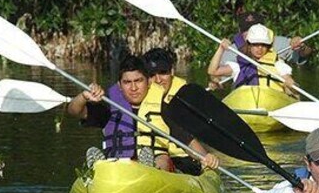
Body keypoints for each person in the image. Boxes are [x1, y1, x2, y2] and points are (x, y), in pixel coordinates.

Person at [66, 53, 218, 174]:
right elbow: (74, 111)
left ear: (148, 82)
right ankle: (99, 167)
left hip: (156, 163)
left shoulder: (163, 109)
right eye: (127, 82)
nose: (133, 88)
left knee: (162, 159)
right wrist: (83, 96)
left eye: (138, 81)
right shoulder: (109, 107)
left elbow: (186, 141)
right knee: (113, 164)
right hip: (119, 165)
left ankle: (149, 168)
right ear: (120, 85)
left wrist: (205, 158)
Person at [137, 47, 220, 175]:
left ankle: (157, 170)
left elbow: (188, 137)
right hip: (154, 154)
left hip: (185, 158)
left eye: (163, 72)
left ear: (172, 71)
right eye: (152, 75)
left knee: (169, 163)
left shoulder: (185, 97)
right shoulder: (140, 98)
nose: (158, 80)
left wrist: (206, 157)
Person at [209, 11, 311, 89]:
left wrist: (301, 46)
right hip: (244, 95)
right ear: (240, 31)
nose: (259, 48)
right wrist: (216, 81)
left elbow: (305, 55)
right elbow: (214, 74)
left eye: (263, 44)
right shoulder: (232, 52)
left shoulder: (278, 49)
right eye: (247, 30)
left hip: (272, 93)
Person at [207, 23, 296, 94]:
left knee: (291, 90)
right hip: (246, 102)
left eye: (263, 45)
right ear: (249, 45)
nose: (260, 48)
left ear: (268, 46)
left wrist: (290, 83)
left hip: (271, 101)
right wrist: (221, 49)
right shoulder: (238, 66)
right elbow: (212, 71)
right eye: (256, 44)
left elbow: (288, 79)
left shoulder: (278, 64)